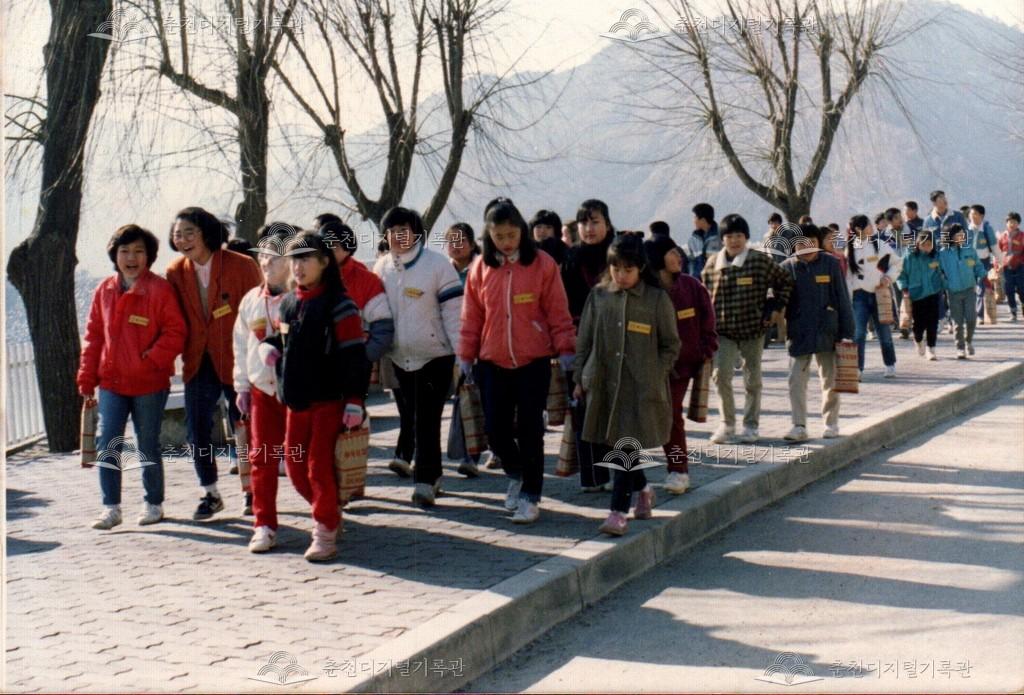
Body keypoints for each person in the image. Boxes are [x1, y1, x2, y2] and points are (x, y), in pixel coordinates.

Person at [459, 200, 575, 523]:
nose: (506, 242)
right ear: (489, 234)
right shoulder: (480, 268)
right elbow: (471, 317)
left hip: (533, 360)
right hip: (491, 361)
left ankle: (530, 494)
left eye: (511, 235)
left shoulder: (542, 264)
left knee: (529, 429)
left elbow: (557, 310)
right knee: (495, 430)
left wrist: (566, 348)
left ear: (522, 232)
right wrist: (466, 356)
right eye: (499, 236)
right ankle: (516, 472)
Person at [260, 231, 370, 561]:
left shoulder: (341, 305)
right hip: (296, 401)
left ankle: (324, 530)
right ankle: (330, 512)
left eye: (306, 259)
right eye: (294, 259)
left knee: (318, 466)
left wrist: (354, 399)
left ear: (324, 262)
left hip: (329, 400)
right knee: (294, 467)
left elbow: (355, 356)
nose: (298, 266)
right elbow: (282, 339)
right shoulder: (290, 303)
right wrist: (270, 346)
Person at [78, 225, 186, 530]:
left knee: (146, 444)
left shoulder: (160, 289)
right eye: (125, 251)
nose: (131, 258)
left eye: (139, 251)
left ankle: (154, 503)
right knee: (107, 442)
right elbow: (93, 336)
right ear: (115, 255)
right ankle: (110, 508)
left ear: (149, 256)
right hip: (111, 383)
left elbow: (176, 332)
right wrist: (87, 378)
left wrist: (151, 359)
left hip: (149, 384)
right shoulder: (104, 290)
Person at [573, 234, 680, 536]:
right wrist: (580, 377)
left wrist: (654, 373)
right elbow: (585, 340)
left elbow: (671, 345)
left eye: (628, 270)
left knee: (624, 443)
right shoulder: (599, 296)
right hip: (604, 384)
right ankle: (643, 489)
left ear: (641, 268)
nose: (621, 276)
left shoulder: (656, 300)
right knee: (618, 444)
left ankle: (618, 511)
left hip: (639, 388)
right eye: (616, 269)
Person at [166, 206, 263, 520]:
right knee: (197, 428)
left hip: (239, 358)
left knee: (246, 427)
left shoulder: (242, 265)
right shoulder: (175, 272)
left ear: (207, 232)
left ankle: (253, 491)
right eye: (178, 234)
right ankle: (210, 492)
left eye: (189, 233)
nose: (182, 240)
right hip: (198, 360)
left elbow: (258, 313)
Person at [374, 206, 463, 507]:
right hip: (399, 357)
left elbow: (454, 314)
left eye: (405, 229)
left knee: (427, 417)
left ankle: (423, 481)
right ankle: (433, 475)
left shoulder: (438, 265)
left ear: (417, 232)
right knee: (414, 418)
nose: (399, 236)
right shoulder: (382, 267)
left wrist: (462, 353)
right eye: (392, 230)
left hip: (436, 355)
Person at [701, 214, 793, 444]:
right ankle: (727, 424)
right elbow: (704, 295)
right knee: (720, 375)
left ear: (746, 237)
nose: (734, 241)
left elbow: (785, 281)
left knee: (752, 380)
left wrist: (775, 306)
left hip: (753, 329)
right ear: (722, 239)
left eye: (739, 236)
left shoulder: (758, 261)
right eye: (729, 236)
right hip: (723, 331)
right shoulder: (712, 264)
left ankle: (751, 426)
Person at [233, 224, 294, 551]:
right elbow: (240, 346)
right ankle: (264, 523)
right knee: (262, 458)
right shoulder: (250, 301)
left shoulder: (301, 299)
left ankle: (326, 514)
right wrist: (242, 387)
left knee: (304, 460)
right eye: (264, 255)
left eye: (276, 255)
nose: (267, 262)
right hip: (261, 391)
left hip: (298, 391)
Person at [645, 234, 716, 494]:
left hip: (683, 367)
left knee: (671, 414)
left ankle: (678, 470)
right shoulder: (646, 291)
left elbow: (708, 321)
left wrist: (706, 349)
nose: (679, 257)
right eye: (672, 252)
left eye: (678, 251)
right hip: (650, 366)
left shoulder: (691, 286)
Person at [561, 199, 616, 491]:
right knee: (582, 405)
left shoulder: (618, 255)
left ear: (607, 223)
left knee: (613, 406)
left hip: (617, 338)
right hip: (580, 339)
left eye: (595, 222)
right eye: (584, 223)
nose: (589, 228)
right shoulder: (571, 259)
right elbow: (562, 303)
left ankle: (616, 470)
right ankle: (593, 476)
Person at [781, 224, 854, 441]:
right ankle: (799, 425)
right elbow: (779, 300)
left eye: (812, 242)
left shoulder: (831, 264)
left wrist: (847, 331)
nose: (808, 247)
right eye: (802, 243)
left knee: (829, 380)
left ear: (819, 243)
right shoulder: (787, 268)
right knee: (795, 380)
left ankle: (831, 423)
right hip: (799, 331)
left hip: (827, 330)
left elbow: (842, 298)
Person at [443, 221, 490, 477]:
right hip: (454, 344)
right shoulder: (442, 271)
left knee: (487, 398)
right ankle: (470, 456)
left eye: (461, 240)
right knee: (465, 399)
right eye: (451, 241)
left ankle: (494, 447)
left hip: (485, 342)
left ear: (472, 244)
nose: (455, 246)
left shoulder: (483, 268)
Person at [319, 219, 395, 365]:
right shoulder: (310, 277)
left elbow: (382, 329)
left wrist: (361, 360)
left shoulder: (367, 280)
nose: (326, 252)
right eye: (323, 246)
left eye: (333, 246)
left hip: (353, 364)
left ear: (347, 248)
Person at [846, 213, 901, 378]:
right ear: (858, 229)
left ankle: (890, 364)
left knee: (884, 331)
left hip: (879, 292)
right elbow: (848, 277)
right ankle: (857, 368)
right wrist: (848, 299)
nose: (871, 228)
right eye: (868, 225)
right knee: (859, 333)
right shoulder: (850, 248)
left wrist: (888, 277)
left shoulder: (879, 243)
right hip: (859, 295)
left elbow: (897, 262)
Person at [922, 191, 967, 334]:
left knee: (952, 290)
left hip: (953, 259)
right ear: (934, 202)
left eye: (945, 197)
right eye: (941, 199)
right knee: (937, 290)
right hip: (935, 261)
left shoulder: (957, 216)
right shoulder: (928, 220)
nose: (945, 200)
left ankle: (954, 319)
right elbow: (924, 241)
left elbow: (966, 237)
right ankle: (941, 317)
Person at [938, 223, 986, 359]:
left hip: (969, 289)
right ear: (950, 236)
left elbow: (977, 265)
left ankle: (968, 340)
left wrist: (983, 274)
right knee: (957, 322)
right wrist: (946, 284)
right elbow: (938, 272)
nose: (961, 237)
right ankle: (960, 348)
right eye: (958, 234)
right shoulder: (943, 253)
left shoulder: (969, 249)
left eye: (962, 234)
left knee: (971, 319)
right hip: (953, 292)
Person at [897, 230, 944, 361]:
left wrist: (944, 286)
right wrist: (904, 289)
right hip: (916, 294)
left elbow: (942, 272)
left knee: (932, 323)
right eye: (924, 244)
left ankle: (931, 348)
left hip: (933, 292)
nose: (927, 247)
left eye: (930, 244)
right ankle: (918, 340)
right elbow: (901, 274)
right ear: (918, 244)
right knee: (919, 325)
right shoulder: (909, 256)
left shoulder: (936, 256)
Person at [966, 204, 998, 324]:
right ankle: (969, 314)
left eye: (975, 214)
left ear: (982, 216)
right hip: (968, 262)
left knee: (980, 287)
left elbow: (994, 246)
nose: (973, 216)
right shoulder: (966, 229)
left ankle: (979, 315)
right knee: (969, 287)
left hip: (983, 261)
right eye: (971, 214)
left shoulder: (987, 229)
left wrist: (999, 261)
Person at [997, 212, 1024, 322]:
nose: (1012, 224)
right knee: (1008, 290)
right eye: (1010, 222)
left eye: (1015, 222)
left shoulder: (1022, 236)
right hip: (1006, 267)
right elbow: (997, 252)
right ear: (1006, 223)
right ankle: (1013, 312)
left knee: (1022, 289)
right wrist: (997, 266)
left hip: (1020, 266)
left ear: (1018, 224)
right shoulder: (1002, 236)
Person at [687, 203, 721, 277]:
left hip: (714, 281)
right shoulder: (693, 240)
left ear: (702, 220)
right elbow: (691, 263)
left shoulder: (721, 238)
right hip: (696, 283)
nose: (693, 221)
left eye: (695, 217)